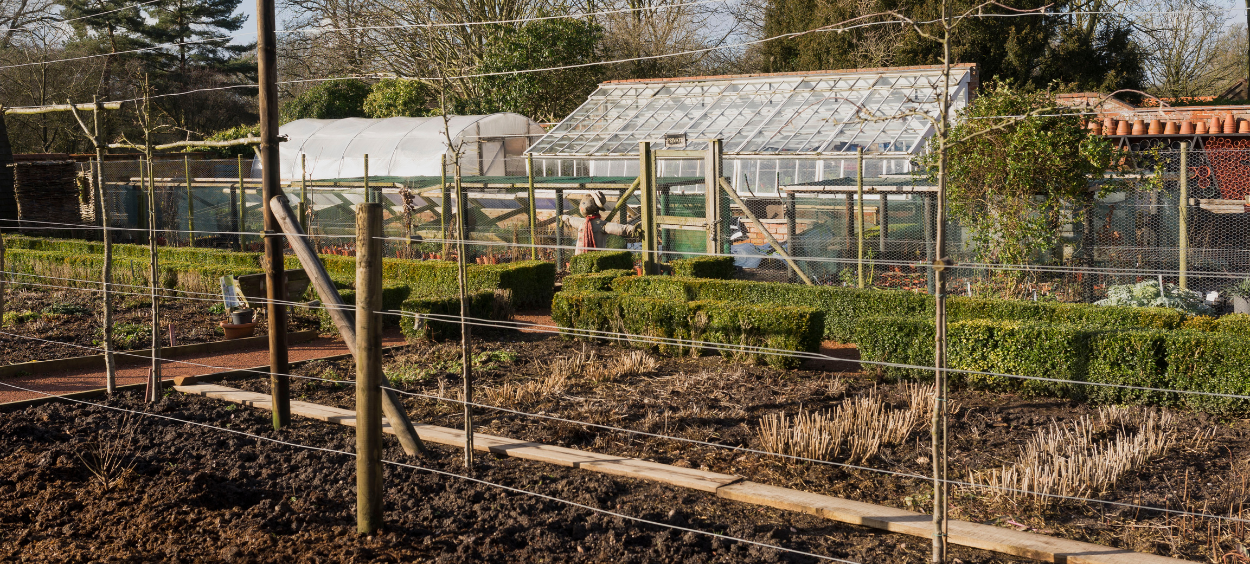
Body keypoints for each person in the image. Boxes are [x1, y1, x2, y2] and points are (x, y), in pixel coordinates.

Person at [559, 191, 642, 254]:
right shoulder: (590, 223)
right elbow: (619, 229)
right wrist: (632, 228)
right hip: (590, 257)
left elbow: (619, 229)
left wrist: (563, 217)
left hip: (583, 257)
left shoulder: (592, 224)